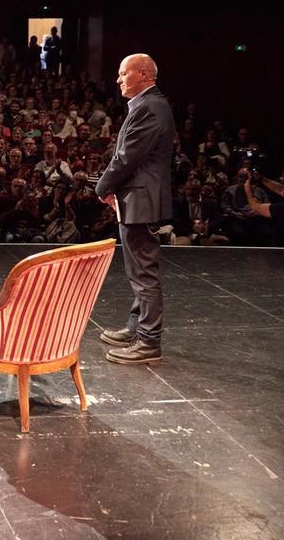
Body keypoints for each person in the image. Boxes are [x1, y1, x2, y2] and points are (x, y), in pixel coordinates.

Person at [95, 53, 175, 365]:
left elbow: (128, 156)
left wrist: (103, 186)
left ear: (143, 74)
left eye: (123, 73)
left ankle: (149, 342)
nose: (118, 80)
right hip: (138, 197)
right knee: (138, 270)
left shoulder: (149, 107)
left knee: (144, 273)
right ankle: (136, 327)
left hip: (141, 200)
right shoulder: (149, 105)